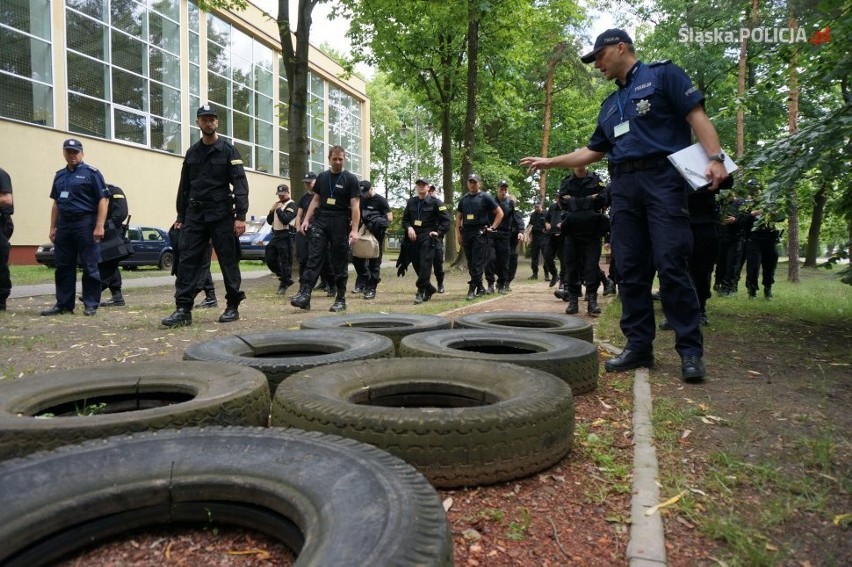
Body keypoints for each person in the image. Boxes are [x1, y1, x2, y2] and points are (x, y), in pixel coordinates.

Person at [521, 29, 729, 382]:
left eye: (600, 56)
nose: (597, 64)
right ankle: (639, 346)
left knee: (671, 263)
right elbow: (593, 151)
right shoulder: (610, 105)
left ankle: (690, 351)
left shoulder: (664, 76)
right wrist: (550, 161)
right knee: (630, 268)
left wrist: (716, 157)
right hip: (624, 188)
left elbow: (696, 115)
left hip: (662, 180)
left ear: (621, 48)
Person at [162, 104, 249, 327]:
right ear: (198, 123)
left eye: (211, 119)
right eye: (204, 119)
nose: (208, 123)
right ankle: (183, 309)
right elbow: (184, 187)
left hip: (221, 215)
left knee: (228, 260)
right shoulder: (192, 153)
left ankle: (232, 306)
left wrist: (240, 216)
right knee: (187, 260)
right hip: (195, 216)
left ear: (217, 123)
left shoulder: (229, 151)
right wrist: (180, 215)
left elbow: (240, 185)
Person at [42, 139, 109, 317]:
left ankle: (91, 303)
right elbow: (56, 202)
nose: (72, 155)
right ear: (64, 153)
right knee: (63, 265)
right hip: (64, 224)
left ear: (82, 154)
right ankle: (63, 304)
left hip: (85, 223)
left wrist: (99, 226)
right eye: (68, 151)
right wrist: (52, 227)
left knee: (89, 264)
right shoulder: (59, 175)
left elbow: (103, 200)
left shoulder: (92, 173)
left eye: (75, 152)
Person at [290, 145, 361, 312]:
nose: (337, 162)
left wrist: (355, 230)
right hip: (321, 220)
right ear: (329, 158)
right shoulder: (322, 177)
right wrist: (307, 220)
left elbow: (356, 206)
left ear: (344, 159)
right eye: (334, 159)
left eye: (340, 159)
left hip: (340, 220)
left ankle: (340, 298)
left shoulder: (350, 179)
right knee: (314, 256)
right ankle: (305, 294)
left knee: (339, 259)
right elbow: (315, 200)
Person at [553, 165, 609, 315]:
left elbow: (603, 199)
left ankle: (592, 300)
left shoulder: (596, 179)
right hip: (572, 231)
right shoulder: (566, 182)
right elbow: (562, 202)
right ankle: (573, 300)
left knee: (591, 266)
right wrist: (589, 199)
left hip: (592, 231)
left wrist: (574, 201)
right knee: (571, 266)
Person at [402, 178, 452, 303]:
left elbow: (447, 220)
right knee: (417, 265)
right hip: (413, 237)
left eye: (423, 185)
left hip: (428, 237)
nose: (420, 187)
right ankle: (429, 288)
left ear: (428, 187)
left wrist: (439, 232)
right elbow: (405, 219)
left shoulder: (436, 202)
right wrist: (409, 228)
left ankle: (420, 292)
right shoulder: (411, 202)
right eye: (418, 185)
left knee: (425, 264)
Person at [456, 173, 503, 300]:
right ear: (467, 184)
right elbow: (459, 217)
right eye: (470, 182)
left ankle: (472, 289)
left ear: (479, 184)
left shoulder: (485, 197)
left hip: (481, 234)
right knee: (471, 264)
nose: (472, 184)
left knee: (477, 263)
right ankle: (481, 287)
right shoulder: (464, 199)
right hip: (467, 234)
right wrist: (458, 234)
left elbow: (500, 213)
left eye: (475, 182)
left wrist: (492, 227)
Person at [353, 180, 392, 299]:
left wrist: (378, 222)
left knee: (374, 261)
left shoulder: (380, 200)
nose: (364, 194)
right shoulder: (361, 199)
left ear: (371, 189)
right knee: (357, 257)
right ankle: (363, 281)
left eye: (365, 192)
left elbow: (389, 218)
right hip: (362, 231)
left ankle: (371, 288)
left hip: (376, 234)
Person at [745, 189, 783, 300]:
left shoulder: (772, 205)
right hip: (754, 240)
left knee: (770, 265)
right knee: (753, 266)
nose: (756, 195)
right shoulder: (747, 206)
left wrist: (775, 214)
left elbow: (782, 217)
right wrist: (751, 215)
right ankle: (752, 290)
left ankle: (768, 288)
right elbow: (741, 222)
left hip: (770, 240)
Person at [168, 224, 218, 308]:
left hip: (200, 230)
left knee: (201, 264)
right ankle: (209, 297)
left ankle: (189, 298)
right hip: (188, 228)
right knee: (187, 263)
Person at [97, 184, 129, 307]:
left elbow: (121, 213)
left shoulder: (113, 190)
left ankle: (95, 291)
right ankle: (117, 296)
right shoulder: (94, 192)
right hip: (99, 234)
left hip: (112, 233)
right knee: (109, 263)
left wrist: (103, 227)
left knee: (109, 263)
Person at [491, 181, 523, 294]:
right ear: (497, 189)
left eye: (505, 189)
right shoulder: (491, 201)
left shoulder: (511, 203)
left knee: (505, 260)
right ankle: (493, 281)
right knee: (492, 258)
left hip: (506, 235)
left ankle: (502, 283)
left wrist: (521, 231)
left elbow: (518, 217)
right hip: (492, 234)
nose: (503, 192)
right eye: (501, 189)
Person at [266, 183, 298, 296]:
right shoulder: (277, 205)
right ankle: (284, 277)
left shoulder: (292, 205)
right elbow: (270, 221)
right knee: (269, 257)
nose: (280, 197)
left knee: (285, 260)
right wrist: (271, 211)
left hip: (286, 235)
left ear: (287, 193)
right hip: (276, 235)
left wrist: (278, 210)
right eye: (279, 194)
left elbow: (285, 220)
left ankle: (284, 283)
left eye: (282, 195)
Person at [427, 184, 447, 292]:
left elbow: (446, 220)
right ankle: (426, 285)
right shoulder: (421, 204)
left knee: (437, 263)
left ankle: (440, 284)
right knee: (425, 264)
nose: (430, 192)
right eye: (429, 190)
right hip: (424, 238)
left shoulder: (439, 203)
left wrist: (439, 232)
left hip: (436, 239)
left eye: (432, 191)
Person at [526, 200, 551, 280]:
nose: (536, 208)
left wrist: (547, 230)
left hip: (544, 238)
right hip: (535, 238)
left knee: (546, 256)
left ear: (541, 206)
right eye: (535, 207)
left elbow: (551, 224)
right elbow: (530, 225)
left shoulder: (546, 213)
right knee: (534, 257)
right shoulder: (533, 215)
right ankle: (534, 274)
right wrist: (529, 237)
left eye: (538, 207)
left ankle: (546, 275)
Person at [0, 167, 13, 311]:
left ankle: (1, 300)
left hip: (1, 221)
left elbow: (6, 199)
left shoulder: (1, 174)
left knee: (0, 263)